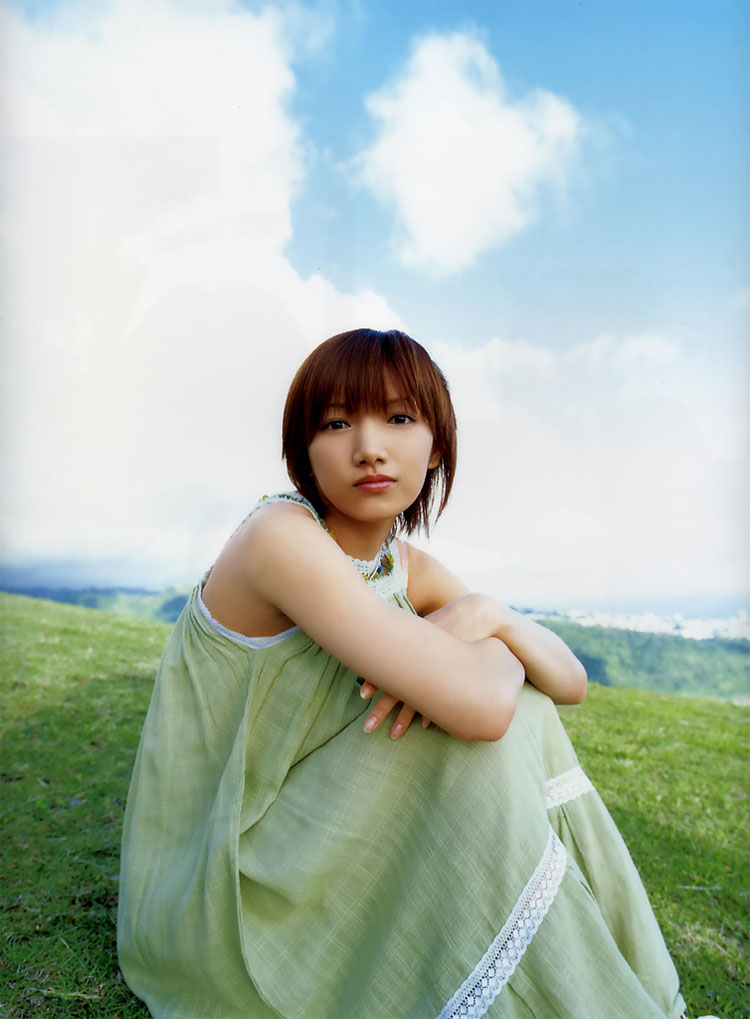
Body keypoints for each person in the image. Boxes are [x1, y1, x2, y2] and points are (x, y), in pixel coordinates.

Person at [118, 328, 689, 1018]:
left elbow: (568, 682)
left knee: (528, 711)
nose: (368, 447)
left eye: (397, 418)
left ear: (436, 443)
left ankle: (636, 995)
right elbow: (484, 708)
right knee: (477, 740)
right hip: (227, 889)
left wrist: (490, 616)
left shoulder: (400, 564)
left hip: (311, 838)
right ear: (303, 449)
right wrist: (480, 654)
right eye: (336, 423)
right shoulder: (279, 537)